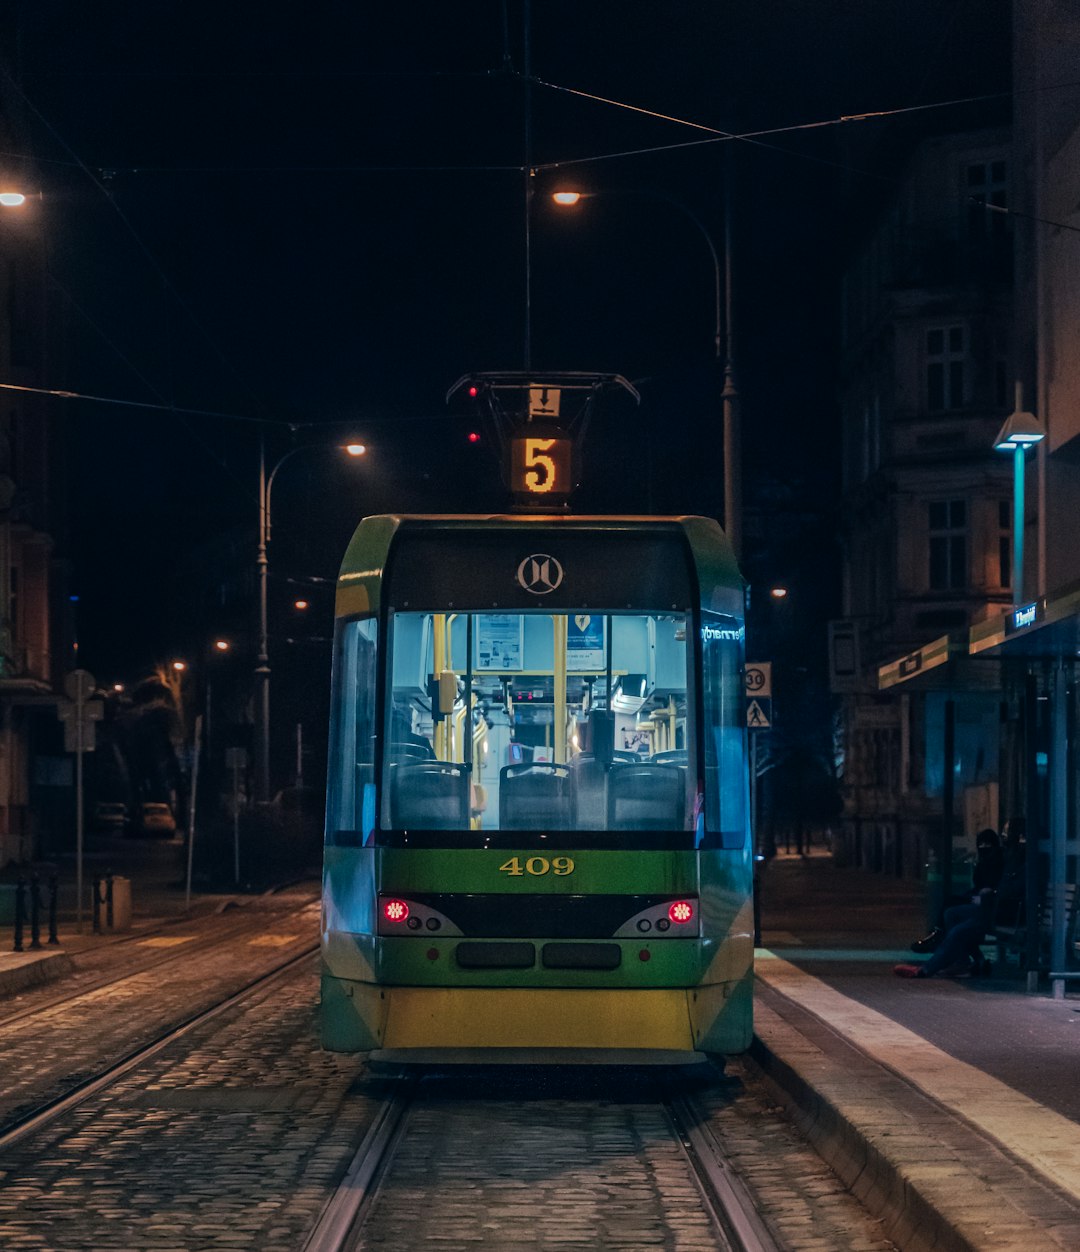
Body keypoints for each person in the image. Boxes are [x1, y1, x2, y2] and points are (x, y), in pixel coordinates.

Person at [911, 828, 1003, 953]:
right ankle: (939, 934)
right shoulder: (984, 861)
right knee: (951, 902)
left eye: (987, 844)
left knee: (952, 907)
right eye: (981, 844)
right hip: (977, 897)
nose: (984, 847)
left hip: (984, 900)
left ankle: (939, 935)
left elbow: (988, 885)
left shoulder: (996, 862)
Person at [895, 884, 997, 978]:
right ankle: (960, 961)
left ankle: (925, 969)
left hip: (995, 909)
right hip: (991, 905)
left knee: (958, 932)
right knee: (951, 913)